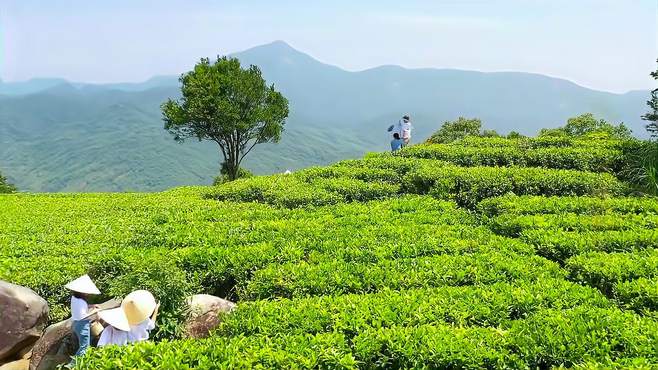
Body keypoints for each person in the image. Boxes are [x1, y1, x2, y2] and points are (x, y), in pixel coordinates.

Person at [65, 275, 100, 367]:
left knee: (87, 342)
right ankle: (72, 365)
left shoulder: (75, 298)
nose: (88, 294)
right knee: (84, 347)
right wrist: (94, 311)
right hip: (82, 325)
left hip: (76, 323)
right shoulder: (81, 301)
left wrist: (91, 306)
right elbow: (83, 317)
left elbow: (81, 308)